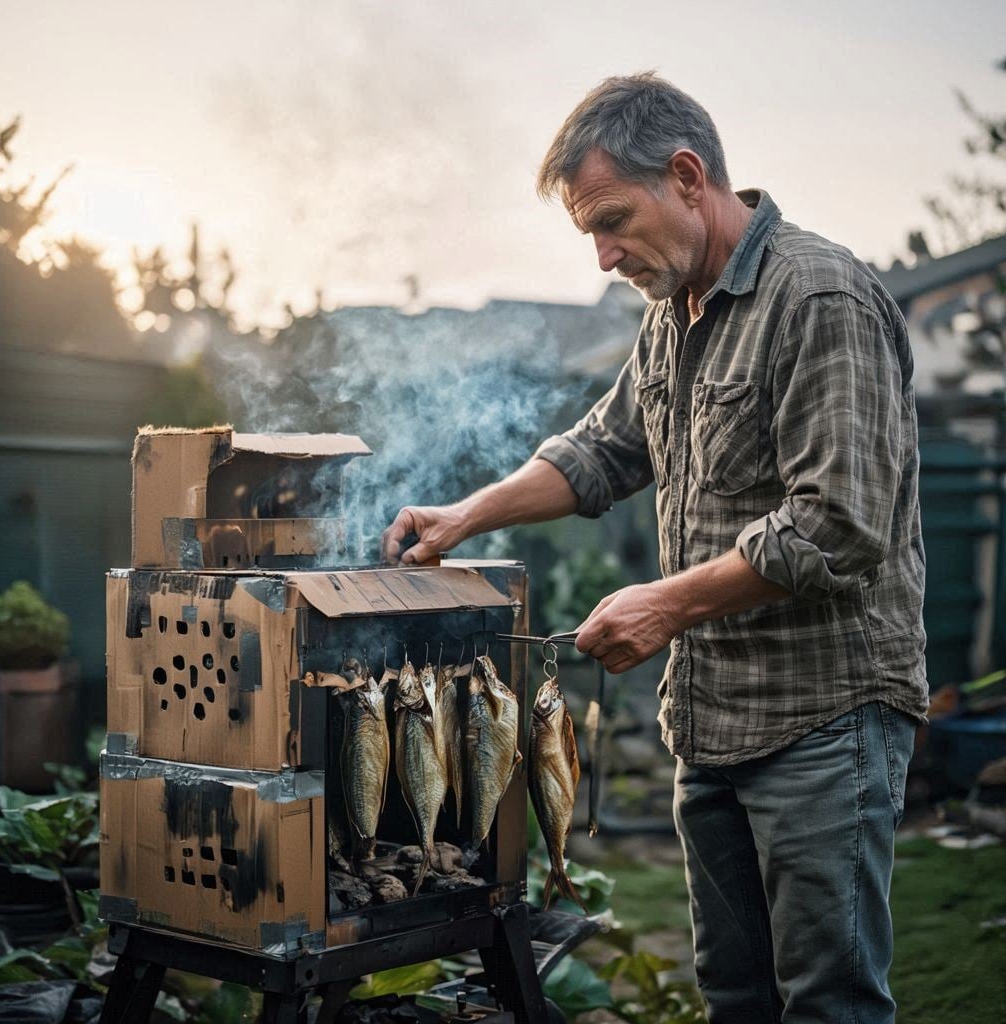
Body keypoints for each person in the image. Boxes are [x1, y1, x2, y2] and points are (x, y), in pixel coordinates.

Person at [381, 73, 927, 1024]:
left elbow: (837, 526)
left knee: (826, 1004)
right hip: (710, 727)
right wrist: (469, 514)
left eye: (614, 221)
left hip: (823, 722)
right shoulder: (673, 310)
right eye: (590, 232)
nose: (602, 257)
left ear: (687, 176)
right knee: (733, 997)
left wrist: (663, 605)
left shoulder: (820, 297)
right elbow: (603, 449)